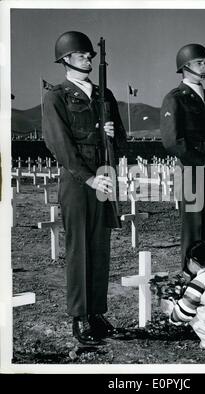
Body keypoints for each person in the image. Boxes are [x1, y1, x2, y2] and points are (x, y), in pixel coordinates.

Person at [42, 31, 127, 346]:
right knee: (79, 249)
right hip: (79, 181)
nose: (88, 58)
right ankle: (79, 316)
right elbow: (59, 144)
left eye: (90, 55)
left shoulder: (105, 95)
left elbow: (121, 142)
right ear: (65, 59)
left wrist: (112, 132)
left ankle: (97, 312)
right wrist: (89, 177)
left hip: (104, 174)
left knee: (100, 247)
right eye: (81, 55)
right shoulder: (57, 96)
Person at [160, 43, 205, 271]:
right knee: (194, 232)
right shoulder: (175, 98)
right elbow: (173, 142)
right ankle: (192, 286)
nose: (204, 67)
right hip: (191, 171)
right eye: (199, 63)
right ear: (185, 66)